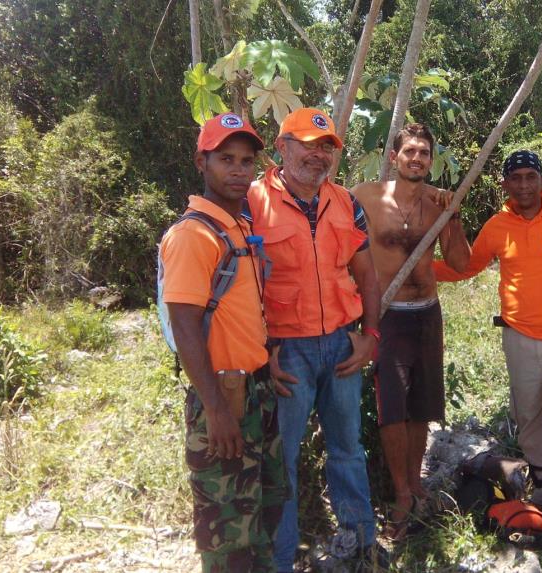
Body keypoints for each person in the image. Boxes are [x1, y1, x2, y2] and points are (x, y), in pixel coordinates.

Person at [435, 151, 542, 573]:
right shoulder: (497, 226)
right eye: (517, 179)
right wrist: (414, 269)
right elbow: (465, 268)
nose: (525, 185)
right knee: (527, 414)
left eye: (531, 177)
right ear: (505, 184)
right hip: (518, 338)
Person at [245, 108, 385, 572]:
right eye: (308, 143)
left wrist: (370, 336)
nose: (318, 154)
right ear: (281, 145)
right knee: (280, 457)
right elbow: (238, 288)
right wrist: (262, 349)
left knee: (347, 447)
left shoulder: (347, 202)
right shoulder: (251, 203)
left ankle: (361, 541)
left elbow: (367, 274)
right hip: (287, 352)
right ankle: (281, 557)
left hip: (343, 346)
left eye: (326, 146)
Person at [159, 112, 289, 572]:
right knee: (227, 529)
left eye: (246, 161)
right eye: (226, 159)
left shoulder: (236, 226)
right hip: (223, 396)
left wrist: (263, 361)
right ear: (202, 162)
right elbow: (185, 327)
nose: (238, 170)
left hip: (255, 390)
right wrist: (215, 408)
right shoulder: (194, 235)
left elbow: (239, 313)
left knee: (264, 513)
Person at [351, 123, 470, 540]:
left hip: (427, 313)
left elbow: (458, 262)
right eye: (410, 151)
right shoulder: (365, 197)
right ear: (394, 157)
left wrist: (453, 216)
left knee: (422, 404)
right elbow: (342, 248)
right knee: (393, 407)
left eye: (424, 152)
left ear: (430, 160)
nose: (417, 158)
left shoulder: (439, 203)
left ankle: (416, 483)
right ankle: (401, 493)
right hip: (389, 315)